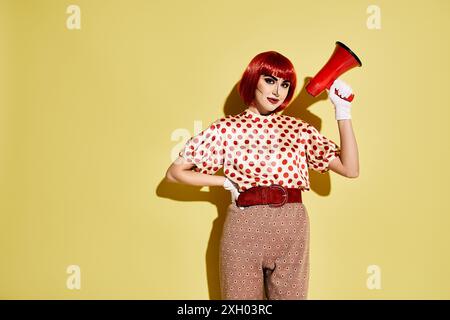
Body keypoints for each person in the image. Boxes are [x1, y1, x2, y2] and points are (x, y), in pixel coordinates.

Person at [165, 51, 359, 300]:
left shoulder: (299, 129)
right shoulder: (226, 129)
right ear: (253, 79)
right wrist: (224, 181)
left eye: (284, 84)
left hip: (292, 228)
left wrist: (343, 111)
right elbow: (175, 173)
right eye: (270, 80)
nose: (277, 91)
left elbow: (350, 169)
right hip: (243, 228)